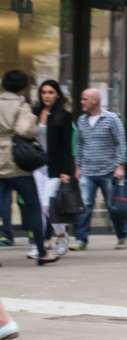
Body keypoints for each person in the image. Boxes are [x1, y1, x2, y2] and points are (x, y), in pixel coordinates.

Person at [0, 70, 56, 264]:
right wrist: (32, 123)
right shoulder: (21, 106)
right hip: (18, 164)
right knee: (33, 207)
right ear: (22, 86)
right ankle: (42, 252)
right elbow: (25, 130)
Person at [71, 87, 127, 251]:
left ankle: (122, 236)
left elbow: (121, 143)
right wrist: (78, 167)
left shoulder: (111, 119)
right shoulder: (82, 120)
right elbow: (79, 145)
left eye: (84, 99)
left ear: (94, 100)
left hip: (108, 170)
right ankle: (81, 239)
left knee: (113, 206)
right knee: (85, 205)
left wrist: (120, 166)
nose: (81, 102)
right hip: (87, 171)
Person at [32, 80, 73, 257]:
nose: (47, 96)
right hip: (36, 166)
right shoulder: (34, 112)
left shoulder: (64, 116)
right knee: (39, 207)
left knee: (47, 206)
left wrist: (66, 171)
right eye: (44, 92)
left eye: (50, 92)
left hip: (55, 168)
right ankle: (40, 245)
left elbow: (67, 147)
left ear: (57, 94)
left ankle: (62, 235)